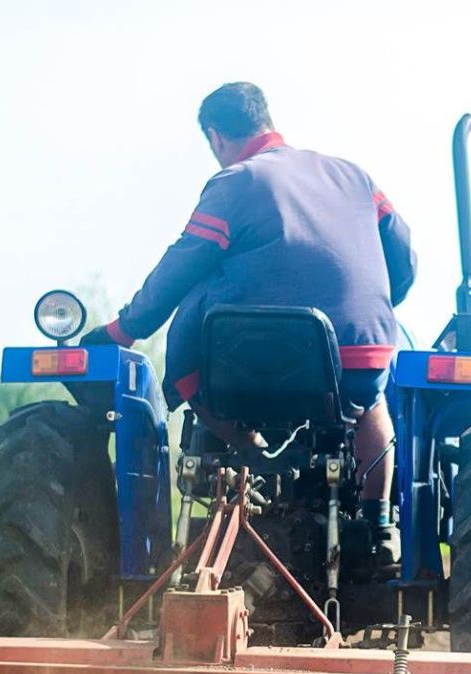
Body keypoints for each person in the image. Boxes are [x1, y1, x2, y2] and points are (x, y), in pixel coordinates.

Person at [85, 81, 415, 543]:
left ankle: (253, 452)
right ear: (267, 119)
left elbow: (184, 264)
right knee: (371, 402)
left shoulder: (236, 182)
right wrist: (380, 300)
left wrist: (125, 329)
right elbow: (402, 254)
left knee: (189, 350)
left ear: (217, 137)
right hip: (359, 351)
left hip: (251, 364)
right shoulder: (354, 176)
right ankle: (379, 525)